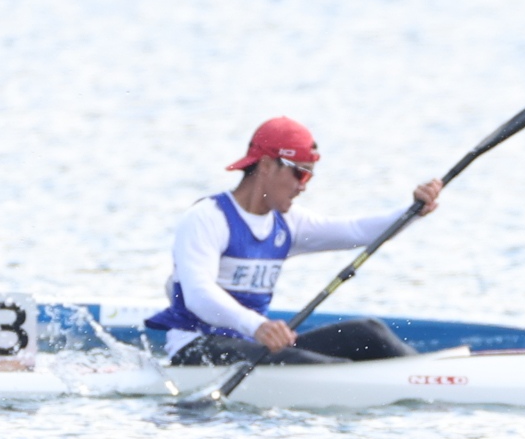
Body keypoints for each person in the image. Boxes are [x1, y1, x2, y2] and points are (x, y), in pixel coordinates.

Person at [145, 116, 444, 366]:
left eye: (308, 177)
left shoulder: (287, 223)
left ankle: (435, 375)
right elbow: (198, 295)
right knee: (325, 369)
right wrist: (258, 326)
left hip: (254, 345)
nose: (303, 187)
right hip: (197, 348)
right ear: (266, 165)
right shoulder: (207, 218)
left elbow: (356, 231)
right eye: (300, 174)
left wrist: (412, 211)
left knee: (369, 332)